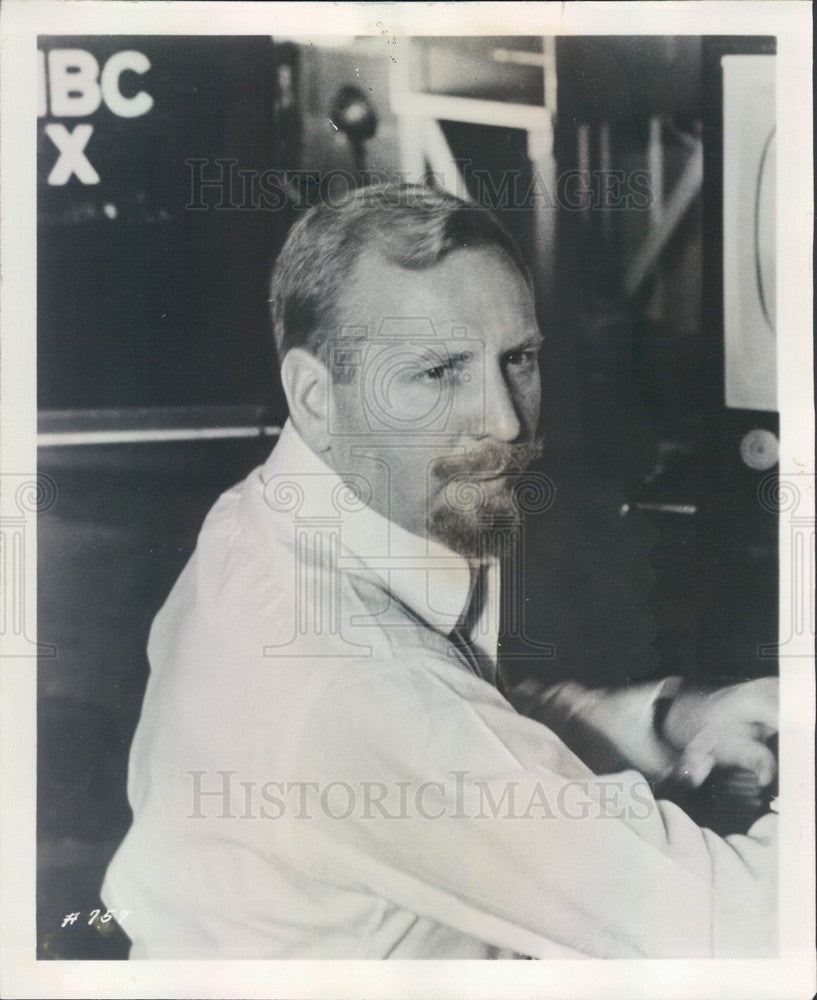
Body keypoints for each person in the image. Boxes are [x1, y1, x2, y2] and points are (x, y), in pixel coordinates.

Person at [102, 184, 778, 959]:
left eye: (517, 359)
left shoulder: (265, 519)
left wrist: (661, 724)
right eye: (437, 371)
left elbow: (462, 720)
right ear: (316, 396)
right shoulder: (353, 682)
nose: (506, 419)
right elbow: (749, 932)